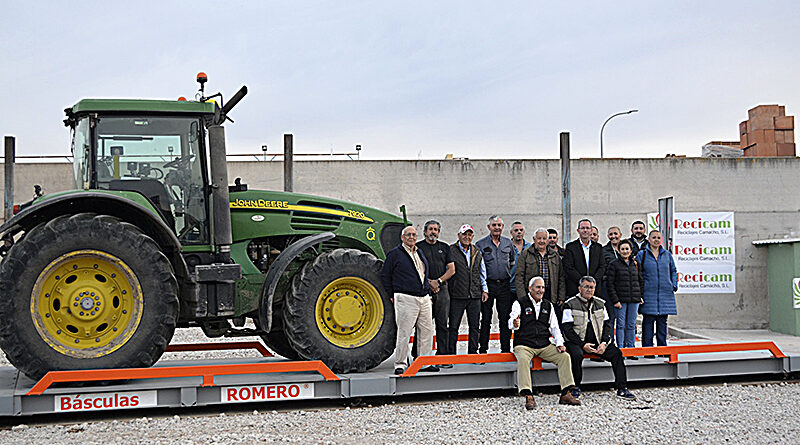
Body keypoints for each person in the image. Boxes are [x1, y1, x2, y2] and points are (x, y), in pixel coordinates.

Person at [509, 277, 581, 409]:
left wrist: (560, 343)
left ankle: (565, 393)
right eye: (537, 287)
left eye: (542, 287)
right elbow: (511, 321)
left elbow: (555, 327)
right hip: (524, 344)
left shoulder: (548, 305)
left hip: (543, 344)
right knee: (523, 360)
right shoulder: (519, 303)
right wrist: (514, 323)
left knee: (564, 357)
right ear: (530, 289)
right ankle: (528, 395)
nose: (540, 290)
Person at [562, 276, 636, 400]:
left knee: (617, 353)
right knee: (576, 355)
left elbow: (607, 325)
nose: (589, 290)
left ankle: (622, 388)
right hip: (577, 341)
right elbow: (567, 329)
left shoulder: (600, 303)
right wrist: (582, 344)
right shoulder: (569, 304)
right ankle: (574, 388)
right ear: (579, 288)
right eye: (586, 287)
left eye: (591, 287)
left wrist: (604, 343)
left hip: (597, 341)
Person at [379, 226, 439, 375]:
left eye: (413, 235)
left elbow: (424, 273)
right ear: (402, 237)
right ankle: (400, 363)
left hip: (423, 298)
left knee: (427, 331)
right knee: (404, 332)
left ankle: (424, 362)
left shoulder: (419, 252)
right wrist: (392, 294)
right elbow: (385, 275)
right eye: (408, 235)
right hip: (406, 298)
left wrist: (427, 293)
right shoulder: (395, 254)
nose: (411, 237)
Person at [415, 220, 456, 363]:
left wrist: (438, 281)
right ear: (425, 232)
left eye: (436, 229)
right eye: (431, 229)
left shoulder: (444, 247)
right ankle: (418, 357)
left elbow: (451, 269)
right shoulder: (418, 247)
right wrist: (429, 283)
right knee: (422, 324)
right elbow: (416, 268)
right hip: (424, 290)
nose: (433, 232)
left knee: (442, 324)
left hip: (442, 289)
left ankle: (442, 356)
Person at [476, 216, 514, 354]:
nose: (496, 227)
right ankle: (483, 349)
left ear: (503, 226)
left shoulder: (508, 243)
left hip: (504, 285)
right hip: (488, 286)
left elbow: (511, 262)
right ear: (489, 227)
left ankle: (505, 350)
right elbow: (478, 267)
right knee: (486, 318)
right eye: (493, 225)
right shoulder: (480, 244)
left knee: (504, 318)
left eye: (499, 225)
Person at [448, 224, 488, 355]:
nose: (467, 237)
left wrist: (484, 290)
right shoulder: (451, 250)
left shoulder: (476, 251)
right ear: (459, 235)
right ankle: (451, 354)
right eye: (464, 234)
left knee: (474, 326)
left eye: (469, 234)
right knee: (453, 326)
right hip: (457, 294)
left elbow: (482, 272)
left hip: (474, 294)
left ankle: (472, 352)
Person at [635, 230, 678, 349]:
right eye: (653, 237)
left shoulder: (667, 255)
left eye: (658, 238)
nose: (656, 240)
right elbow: (637, 273)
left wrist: (673, 284)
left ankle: (662, 348)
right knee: (648, 322)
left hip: (665, 294)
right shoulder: (642, 255)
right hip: (649, 294)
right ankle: (648, 349)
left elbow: (673, 270)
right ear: (648, 239)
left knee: (662, 323)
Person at [606, 239, 644, 353]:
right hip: (620, 300)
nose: (625, 251)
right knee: (621, 325)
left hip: (634, 300)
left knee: (631, 325)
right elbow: (610, 284)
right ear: (619, 250)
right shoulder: (614, 264)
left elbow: (640, 280)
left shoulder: (635, 263)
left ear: (631, 250)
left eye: (627, 249)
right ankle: (621, 349)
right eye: (622, 249)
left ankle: (631, 348)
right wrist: (615, 300)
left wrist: (640, 296)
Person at [515, 228, 566, 313]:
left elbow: (561, 277)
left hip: (550, 294)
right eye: (539, 238)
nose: (541, 241)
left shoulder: (554, 255)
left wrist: (561, 297)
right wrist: (523, 297)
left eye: (544, 238)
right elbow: (519, 277)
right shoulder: (525, 254)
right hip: (532, 295)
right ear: (534, 239)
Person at [562, 219, 605, 298]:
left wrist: (592, 283)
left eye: (587, 228)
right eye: (582, 228)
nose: (585, 230)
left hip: (595, 290)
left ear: (591, 230)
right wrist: (583, 283)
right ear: (578, 230)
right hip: (576, 289)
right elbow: (568, 267)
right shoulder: (571, 247)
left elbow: (602, 267)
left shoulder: (598, 247)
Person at [602, 226, 623, 324]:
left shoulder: (626, 248)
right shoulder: (604, 251)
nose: (613, 236)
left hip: (624, 286)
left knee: (623, 316)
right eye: (611, 234)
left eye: (615, 234)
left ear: (620, 235)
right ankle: (610, 338)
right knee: (610, 315)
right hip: (609, 285)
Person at [508, 221, 531, 297]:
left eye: (521, 230)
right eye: (516, 230)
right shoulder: (506, 247)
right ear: (511, 232)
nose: (519, 232)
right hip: (509, 287)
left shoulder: (530, 247)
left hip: (525, 288)